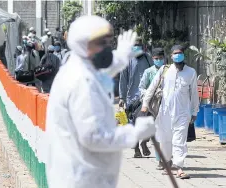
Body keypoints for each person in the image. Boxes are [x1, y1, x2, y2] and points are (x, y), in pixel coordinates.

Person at [45, 15, 156, 188]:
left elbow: (102, 73)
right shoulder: (81, 81)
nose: (106, 49)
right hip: (82, 179)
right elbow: (93, 137)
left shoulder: (81, 66)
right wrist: (134, 133)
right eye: (100, 43)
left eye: (108, 43)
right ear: (83, 43)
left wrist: (122, 57)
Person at [142, 45, 199, 179]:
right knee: (165, 139)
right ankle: (168, 163)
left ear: (183, 55)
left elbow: (194, 93)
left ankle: (179, 167)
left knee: (179, 140)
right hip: (165, 112)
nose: (177, 56)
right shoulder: (164, 70)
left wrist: (194, 111)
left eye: (180, 53)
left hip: (183, 113)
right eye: (175, 53)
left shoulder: (191, 72)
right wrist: (145, 104)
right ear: (171, 56)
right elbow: (152, 88)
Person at [119, 37, 153, 158]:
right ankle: (136, 149)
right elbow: (123, 80)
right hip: (132, 98)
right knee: (133, 124)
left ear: (143, 47)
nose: (137, 48)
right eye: (135, 46)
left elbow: (155, 74)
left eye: (139, 46)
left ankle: (144, 142)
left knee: (149, 121)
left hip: (147, 97)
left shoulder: (148, 58)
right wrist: (122, 98)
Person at [138, 47, 165, 164]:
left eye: (161, 58)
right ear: (153, 59)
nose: (158, 60)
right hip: (152, 105)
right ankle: (159, 158)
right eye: (156, 58)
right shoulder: (149, 72)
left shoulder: (169, 70)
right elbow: (141, 88)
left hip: (166, 104)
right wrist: (150, 94)